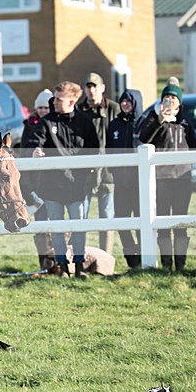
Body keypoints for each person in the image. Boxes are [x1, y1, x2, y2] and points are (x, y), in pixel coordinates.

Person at [28, 81, 99, 278]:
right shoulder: (47, 122)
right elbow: (35, 141)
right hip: (52, 186)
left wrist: (86, 175)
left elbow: (94, 148)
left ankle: (79, 265)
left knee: (79, 227)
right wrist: (36, 150)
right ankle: (63, 267)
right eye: (54, 99)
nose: (55, 103)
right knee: (57, 228)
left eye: (59, 100)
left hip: (77, 185)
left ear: (72, 100)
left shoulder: (85, 122)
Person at [138, 82, 196, 271]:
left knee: (180, 221)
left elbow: (194, 147)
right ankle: (166, 264)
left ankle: (180, 264)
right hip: (161, 179)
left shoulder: (186, 123)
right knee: (162, 221)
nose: (169, 102)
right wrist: (159, 120)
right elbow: (143, 138)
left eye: (173, 99)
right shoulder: (153, 119)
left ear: (179, 104)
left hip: (182, 178)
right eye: (166, 98)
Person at [76, 72, 120, 255]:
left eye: (95, 86)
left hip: (108, 173)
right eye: (88, 86)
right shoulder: (78, 111)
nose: (92, 90)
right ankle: (79, 259)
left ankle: (106, 259)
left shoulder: (113, 109)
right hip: (85, 173)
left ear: (102, 88)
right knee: (80, 217)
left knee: (107, 218)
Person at [107, 89, 144, 269]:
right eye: (122, 101)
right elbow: (108, 149)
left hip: (140, 183)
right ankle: (132, 260)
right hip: (120, 182)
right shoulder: (114, 125)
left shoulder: (144, 124)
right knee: (121, 221)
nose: (125, 104)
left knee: (140, 221)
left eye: (129, 101)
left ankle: (145, 257)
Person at [20, 88, 54, 271]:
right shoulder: (29, 125)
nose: (42, 111)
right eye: (40, 107)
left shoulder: (55, 124)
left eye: (46, 107)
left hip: (55, 184)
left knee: (58, 223)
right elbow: (23, 151)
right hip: (35, 184)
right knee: (41, 223)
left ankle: (61, 260)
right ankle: (45, 262)